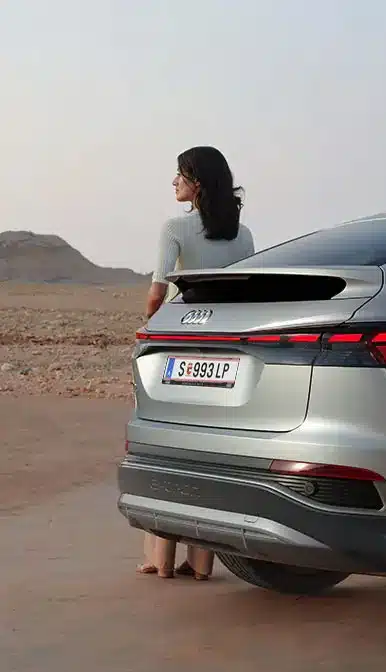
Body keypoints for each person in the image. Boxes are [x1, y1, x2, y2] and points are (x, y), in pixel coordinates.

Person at [137, 145, 255, 580]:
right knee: (207, 449)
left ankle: (161, 559)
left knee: (166, 446)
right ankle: (202, 562)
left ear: (197, 183)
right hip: (224, 349)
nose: (174, 182)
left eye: (180, 175)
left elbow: (157, 291)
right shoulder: (243, 235)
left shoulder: (175, 227)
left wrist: (148, 328)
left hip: (177, 343)